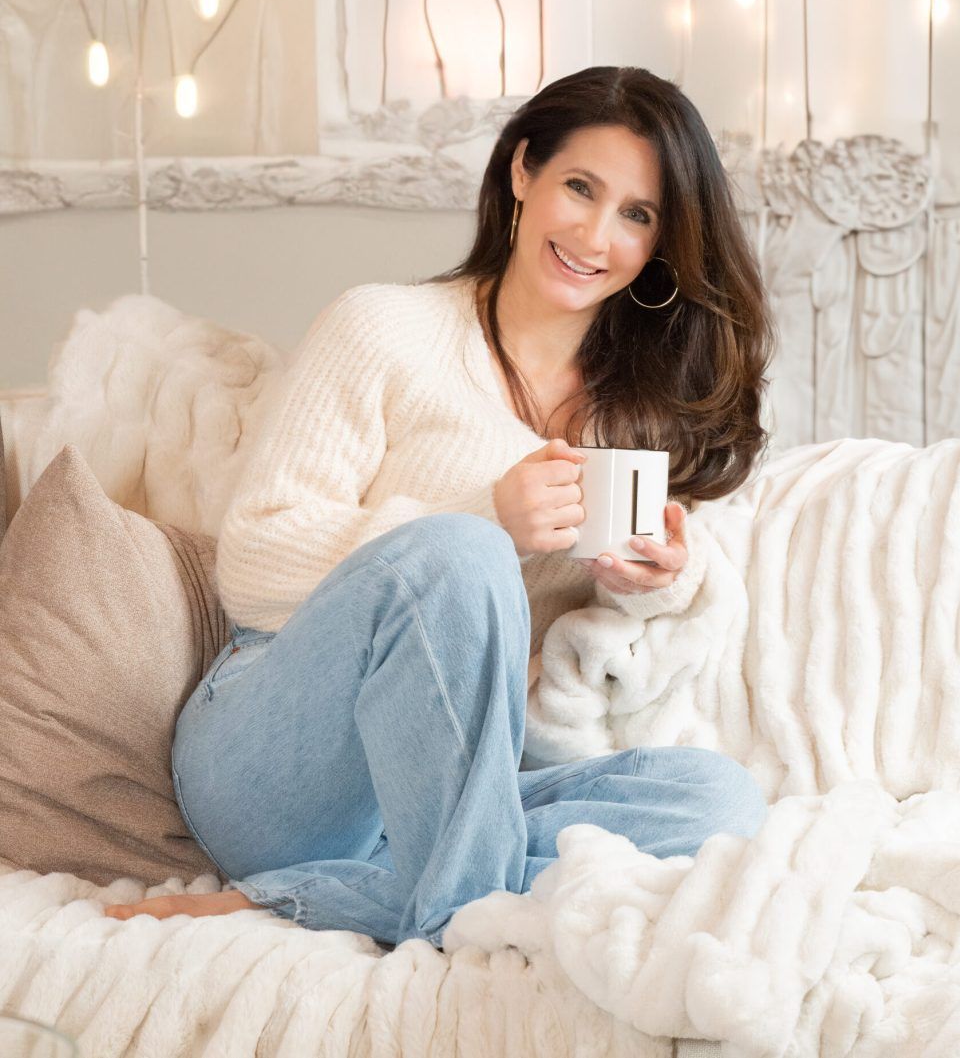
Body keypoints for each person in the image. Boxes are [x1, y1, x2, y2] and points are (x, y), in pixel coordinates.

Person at [105, 65, 777, 947]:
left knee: (719, 800)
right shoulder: (382, 328)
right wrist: (485, 516)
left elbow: (600, 671)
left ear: (660, 242)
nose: (595, 233)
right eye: (580, 187)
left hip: (450, 792)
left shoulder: (634, 413)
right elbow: (254, 563)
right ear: (522, 172)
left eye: (637, 214)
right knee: (458, 552)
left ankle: (314, 899)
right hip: (285, 760)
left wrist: (651, 583)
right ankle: (471, 920)